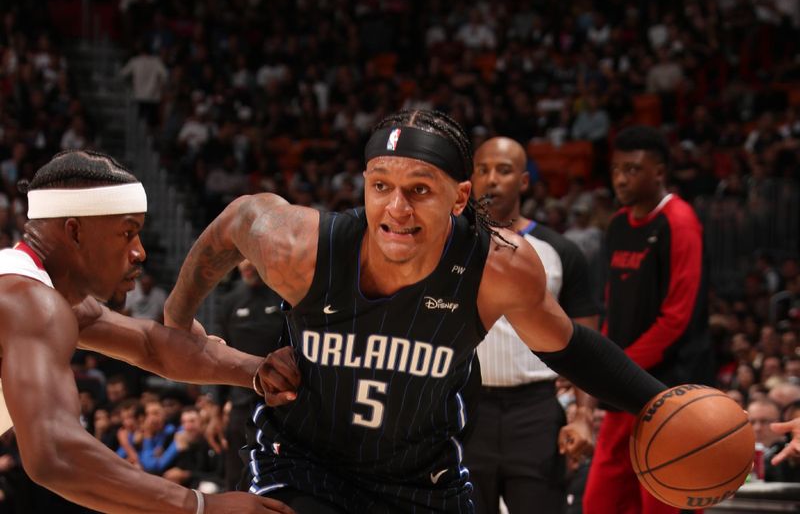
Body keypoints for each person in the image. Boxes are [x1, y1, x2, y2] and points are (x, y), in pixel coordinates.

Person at [164, 109, 669, 514]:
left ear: (460, 196)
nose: (396, 208)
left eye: (419, 190)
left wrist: (661, 404)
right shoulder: (303, 247)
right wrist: (178, 315)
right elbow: (237, 220)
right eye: (380, 185)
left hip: (421, 479)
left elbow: (572, 348)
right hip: (305, 463)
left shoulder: (497, 264)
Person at [0, 149, 295, 513]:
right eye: (127, 233)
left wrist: (258, 372)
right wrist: (203, 506)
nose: (140, 252)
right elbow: (54, 454)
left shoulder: (43, 294)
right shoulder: (29, 301)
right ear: (75, 231)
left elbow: (150, 345)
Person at [583, 126, 713, 514]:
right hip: (624, 387)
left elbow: (676, 320)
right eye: (617, 168)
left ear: (658, 172)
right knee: (599, 503)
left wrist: (614, 367)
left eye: (633, 169)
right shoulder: (619, 225)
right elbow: (612, 308)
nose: (621, 178)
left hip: (672, 389)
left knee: (662, 506)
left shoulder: (680, 221)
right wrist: (599, 366)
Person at [464, 136, 598, 514]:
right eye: (483, 170)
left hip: (537, 411)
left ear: (523, 181)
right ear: (470, 179)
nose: (492, 180)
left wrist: (584, 417)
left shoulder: (560, 250)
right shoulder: (451, 246)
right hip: (468, 408)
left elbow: (587, 344)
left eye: (504, 171)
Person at [213, 258, 286, 490]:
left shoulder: (285, 295)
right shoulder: (228, 301)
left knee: (278, 476)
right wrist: (216, 409)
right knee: (235, 476)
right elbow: (218, 356)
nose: (246, 264)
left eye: (251, 256)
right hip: (240, 405)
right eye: (240, 257)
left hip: (281, 405)